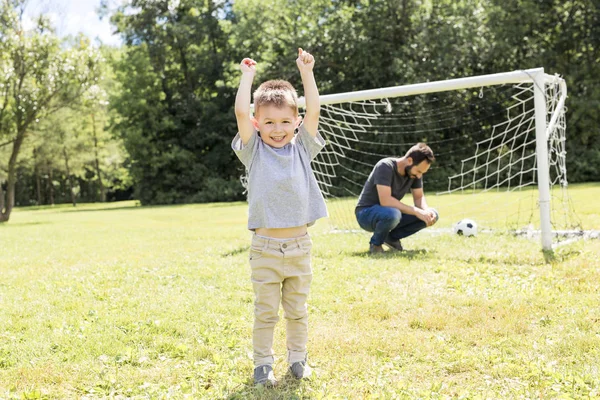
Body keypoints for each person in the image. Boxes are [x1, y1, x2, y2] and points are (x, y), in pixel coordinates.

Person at [231, 48, 327, 386]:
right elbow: (241, 110)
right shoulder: (254, 150)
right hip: (266, 248)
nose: (277, 129)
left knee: (298, 311)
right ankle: (263, 365)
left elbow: (313, 107)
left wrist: (306, 72)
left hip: (300, 247)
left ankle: (298, 360)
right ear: (258, 124)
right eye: (269, 122)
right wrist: (247, 78)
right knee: (266, 313)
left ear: (296, 122)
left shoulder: (302, 147)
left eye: (285, 121)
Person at [355, 143, 438, 254]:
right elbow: (386, 201)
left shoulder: (415, 173)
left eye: (422, 173)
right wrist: (417, 211)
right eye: (418, 171)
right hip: (365, 213)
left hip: (390, 212)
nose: (419, 176)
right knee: (393, 214)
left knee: (433, 214)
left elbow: (419, 197)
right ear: (409, 160)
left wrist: (425, 211)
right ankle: (376, 244)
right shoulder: (385, 166)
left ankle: (390, 238)